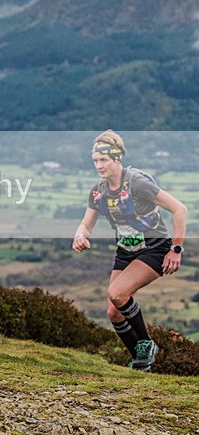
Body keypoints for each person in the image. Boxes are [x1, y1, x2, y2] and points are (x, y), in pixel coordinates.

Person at [73, 130, 186, 371]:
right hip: (126, 251)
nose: (99, 165)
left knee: (117, 292)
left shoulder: (137, 183)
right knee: (114, 312)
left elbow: (180, 209)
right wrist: (80, 235)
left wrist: (175, 249)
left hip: (154, 249)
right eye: (95, 160)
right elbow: (86, 224)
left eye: (104, 160)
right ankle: (142, 364)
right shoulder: (98, 190)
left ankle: (147, 343)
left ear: (117, 158)